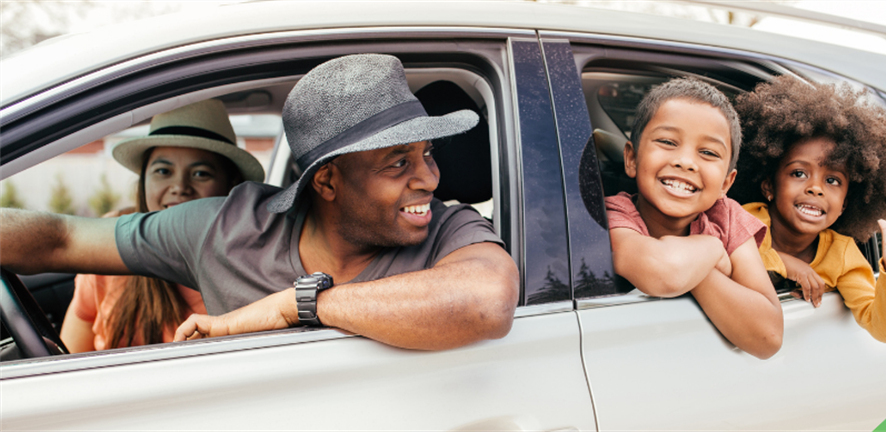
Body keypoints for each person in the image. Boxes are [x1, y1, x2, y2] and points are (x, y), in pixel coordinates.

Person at [2, 54, 519, 351]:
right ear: (328, 181)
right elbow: (61, 237)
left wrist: (293, 305)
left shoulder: (450, 231)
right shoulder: (224, 229)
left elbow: (487, 300)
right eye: (398, 162)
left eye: (428, 154)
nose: (429, 178)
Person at [731, 75, 886, 343]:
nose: (816, 188)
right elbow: (720, 253)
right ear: (769, 186)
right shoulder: (744, 217)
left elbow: (883, 329)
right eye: (799, 173)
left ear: (845, 205)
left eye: (833, 180)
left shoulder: (843, 255)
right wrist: (788, 265)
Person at [59, 100, 264, 352]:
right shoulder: (107, 246)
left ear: (231, 185)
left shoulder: (253, 265)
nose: (180, 187)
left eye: (201, 173)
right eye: (163, 171)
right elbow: (67, 363)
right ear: (143, 180)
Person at [605, 77, 783, 359]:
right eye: (667, 141)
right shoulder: (613, 215)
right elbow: (663, 272)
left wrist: (698, 270)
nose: (686, 161)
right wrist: (712, 250)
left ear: (726, 183)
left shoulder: (726, 216)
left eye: (708, 152)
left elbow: (768, 337)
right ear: (632, 159)